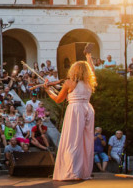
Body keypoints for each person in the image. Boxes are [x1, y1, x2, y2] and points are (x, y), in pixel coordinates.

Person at [30, 47, 96, 181]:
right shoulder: (89, 81)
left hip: (76, 110)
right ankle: (83, 171)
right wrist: (88, 56)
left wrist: (48, 90)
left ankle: (72, 171)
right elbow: (92, 69)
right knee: (86, 141)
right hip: (88, 109)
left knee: (72, 141)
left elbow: (58, 99)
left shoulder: (69, 82)